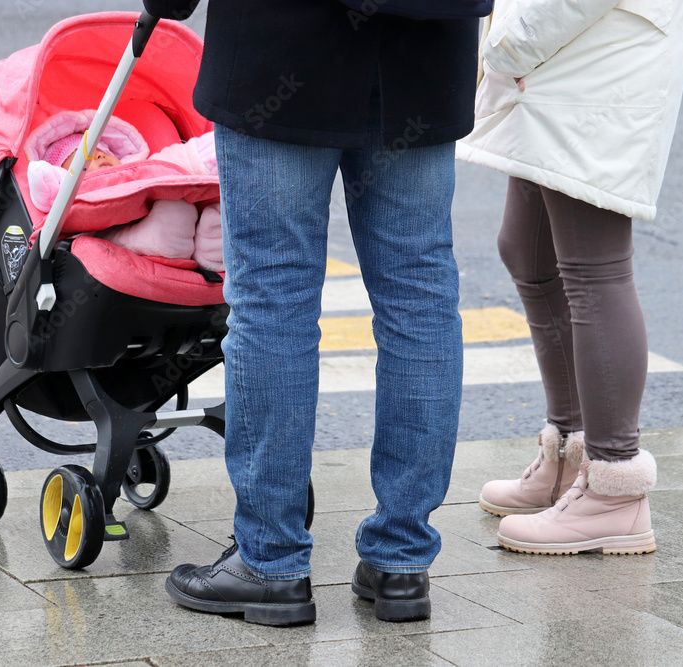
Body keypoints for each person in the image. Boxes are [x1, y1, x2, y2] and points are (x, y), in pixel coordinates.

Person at [155, 0, 484, 626]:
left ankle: (271, 562)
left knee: (274, 299)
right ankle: (402, 560)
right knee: (419, 296)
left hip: (284, 44)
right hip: (423, 47)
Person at [458, 0, 683, 554]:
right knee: (528, 252)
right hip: (568, 63)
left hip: (598, 66)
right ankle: (570, 457)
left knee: (595, 271)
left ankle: (614, 489)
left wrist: (507, 43)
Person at [25, 109, 223, 270]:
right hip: (105, 231)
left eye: (103, 152)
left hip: (155, 202)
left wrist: (205, 152)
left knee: (172, 179)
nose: (100, 157)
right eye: (86, 160)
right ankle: (162, 239)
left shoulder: (138, 170)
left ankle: (211, 249)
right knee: (109, 239)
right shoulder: (75, 196)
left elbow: (170, 163)